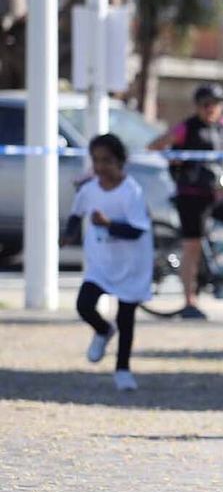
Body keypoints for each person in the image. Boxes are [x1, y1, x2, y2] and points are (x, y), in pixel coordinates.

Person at [147, 83, 223, 319]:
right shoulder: (187, 128)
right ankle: (189, 302)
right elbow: (154, 145)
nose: (210, 109)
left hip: (215, 194)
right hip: (191, 196)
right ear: (198, 106)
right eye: (205, 104)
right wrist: (173, 160)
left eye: (215, 104)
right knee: (192, 247)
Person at [62, 133, 152, 392]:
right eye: (96, 160)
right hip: (101, 262)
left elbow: (137, 230)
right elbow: (76, 214)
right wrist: (69, 234)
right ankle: (102, 330)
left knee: (126, 318)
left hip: (131, 263)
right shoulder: (90, 189)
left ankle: (123, 369)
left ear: (120, 161)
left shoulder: (130, 191)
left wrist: (109, 224)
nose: (101, 167)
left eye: (107, 161)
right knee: (84, 305)